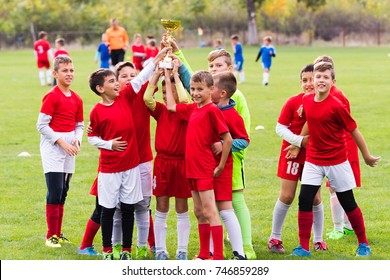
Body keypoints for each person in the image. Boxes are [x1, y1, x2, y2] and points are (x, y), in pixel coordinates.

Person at [290, 62, 380, 257]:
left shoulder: (337, 106)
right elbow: (309, 121)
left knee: (347, 201)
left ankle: (363, 244)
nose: (321, 80)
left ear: (333, 82)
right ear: (312, 80)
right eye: (318, 77)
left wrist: (366, 156)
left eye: (325, 77)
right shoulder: (306, 100)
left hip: (337, 161)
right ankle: (303, 248)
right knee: (304, 199)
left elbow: (354, 131)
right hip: (314, 160)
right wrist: (297, 143)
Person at [167, 70, 233, 260]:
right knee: (198, 211)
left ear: (211, 90)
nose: (195, 93)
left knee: (210, 211)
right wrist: (171, 74)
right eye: (193, 89)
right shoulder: (192, 109)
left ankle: (218, 257)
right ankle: (205, 254)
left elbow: (227, 140)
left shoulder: (212, 110)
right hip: (191, 168)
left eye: (200, 89)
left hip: (204, 168)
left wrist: (220, 165)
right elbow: (171, 105)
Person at [268, 64, 326, 254]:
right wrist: (299, 141)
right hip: (291, 153)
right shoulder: (293, 101)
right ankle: (274, 237)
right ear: (300, 83)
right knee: (287, 195)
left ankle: (318, 240)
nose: (309, 84)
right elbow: (280, 128)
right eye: (305, 80)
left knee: (315, 197)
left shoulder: (324, 102)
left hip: (313, 155)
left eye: (312, 79)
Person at [88, 68, 143, 260]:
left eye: (115, 80)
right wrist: (109, 144)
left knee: (128, 209)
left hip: (131, 166)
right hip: (110, 169)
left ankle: (126, 251)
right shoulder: (96, 111)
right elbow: (92, 137)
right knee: (108, 209)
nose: (117, 83)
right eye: (112, 81)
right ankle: (107, 250)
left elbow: (141, 78)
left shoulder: (124, 98)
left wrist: (160, 56)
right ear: (100, 88)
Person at [207, 49, 256, 259]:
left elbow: (242, 137)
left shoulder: (236, 99)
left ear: (229, 69)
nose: (213, 70)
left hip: (232, 160)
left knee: (235, 202)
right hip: (211, 162)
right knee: (215, 205)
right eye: (211, 66)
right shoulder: (211, 97)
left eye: (218, 66)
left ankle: (246, 246)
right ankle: (219, 244)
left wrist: (224, 146)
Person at [143, 60, 191, 260]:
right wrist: (158, 73)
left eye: (169, 93)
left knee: (182, 207)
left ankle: (182, 250)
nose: (166, 97)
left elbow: (185, 99)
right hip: (162, 163)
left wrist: (177, 76)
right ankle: (161, 250)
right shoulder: (161, 110)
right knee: (161, 206)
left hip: (182, 163)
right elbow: (147, 97)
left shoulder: (186, 110)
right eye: (163, 93)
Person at [37, 55, 84, 248]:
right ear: (55, 73)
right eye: (65, 71)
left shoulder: (77, 98)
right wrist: (60, 142)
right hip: (53, 146)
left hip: (69, 146)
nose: (69, 74)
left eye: (71, 70)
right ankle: (50, 236)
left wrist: (77, 139)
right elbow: (41, 125)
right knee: (55, 190)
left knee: (63, 191)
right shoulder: (52, 96)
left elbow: (79, 125)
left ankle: (58, 232)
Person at [313, 55, 360, 240]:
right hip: (338, 146)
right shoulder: (328, 93)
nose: (319, 80)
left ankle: (338, 228)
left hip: (341, 147)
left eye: (324, 75)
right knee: (341, 188)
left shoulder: (335, 96)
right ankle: (347, 226)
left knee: (336, 188)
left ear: (331, 76)